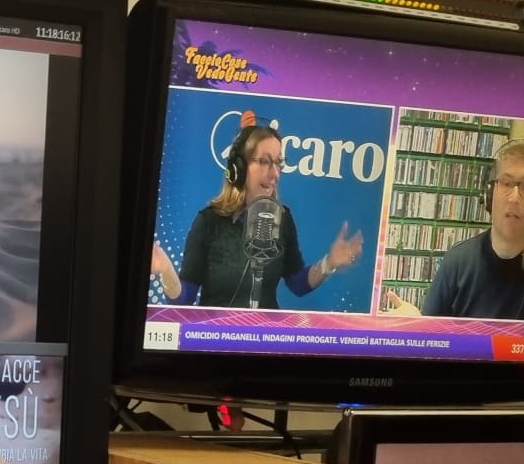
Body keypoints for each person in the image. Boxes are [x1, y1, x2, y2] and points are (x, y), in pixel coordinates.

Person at [149, 114, 366, 310]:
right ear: (239, 168)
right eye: (264, 162)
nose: (275, 174)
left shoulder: (282, 218)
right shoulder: (209, 221)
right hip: (216, 336)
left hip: (263, 336)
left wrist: (329, 263)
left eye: (278, 163)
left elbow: (297, 282)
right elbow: (183, 300)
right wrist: (166, 269)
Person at [381, 140, 524, 320]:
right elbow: (433, 334)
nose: (514, 198)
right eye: (506, 183)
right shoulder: (457, 262)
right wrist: (416, 325)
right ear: (488, 194)